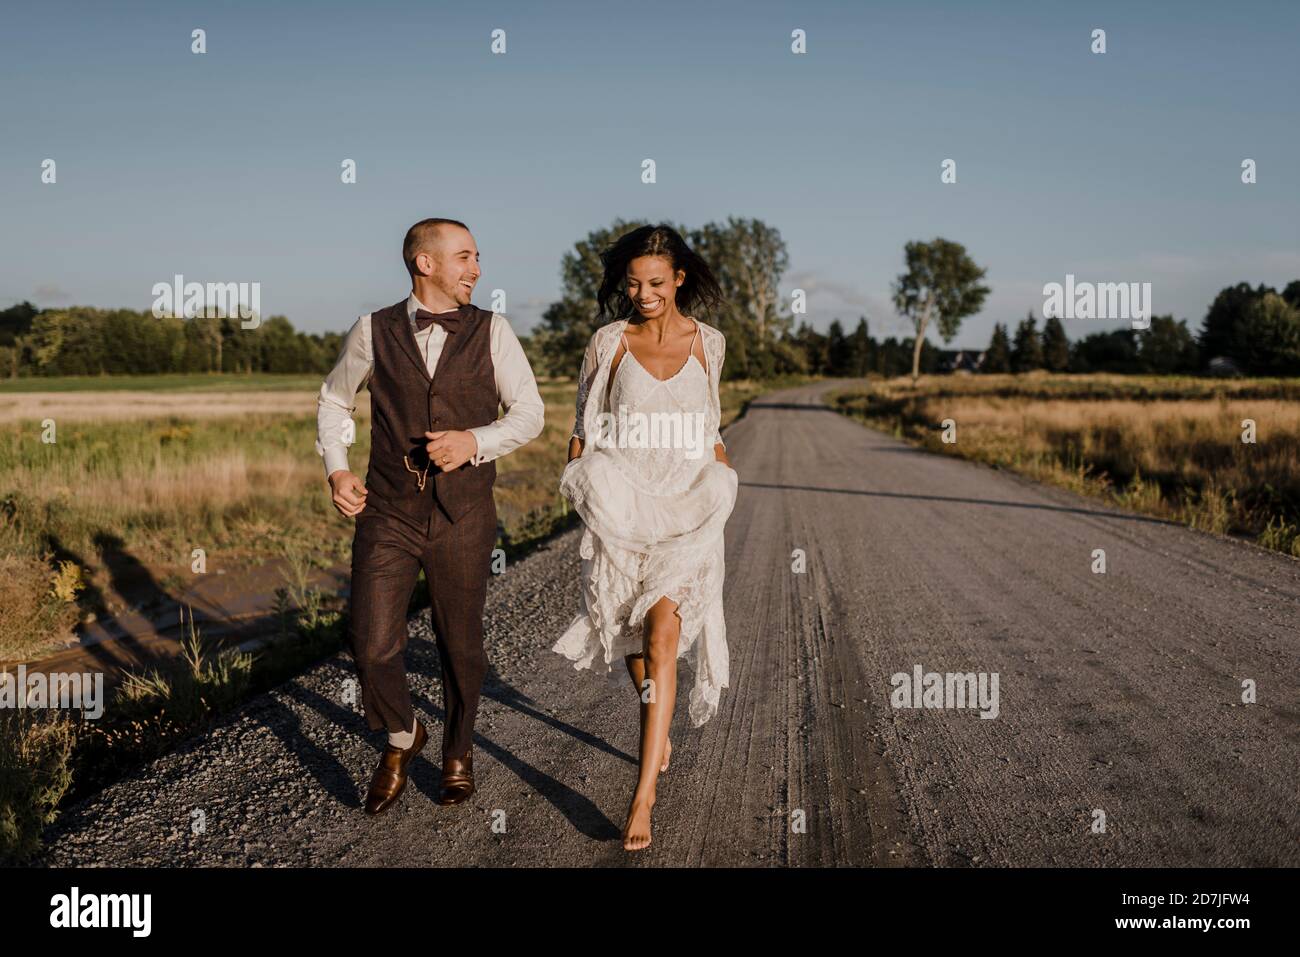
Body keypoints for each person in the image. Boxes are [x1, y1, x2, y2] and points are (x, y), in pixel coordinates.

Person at [315, 218, 544, 814]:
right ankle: (401, 735)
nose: (476, 269)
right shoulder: (371, 330)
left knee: (460, 643)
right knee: (370, 644)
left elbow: (530, 413)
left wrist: (474, 440)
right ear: (426, 263)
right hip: (387, 510)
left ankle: (458, 749)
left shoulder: (495, 331)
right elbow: (335, 399)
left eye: (476, 257)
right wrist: (337, 468)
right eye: (465, 257)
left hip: (464, 513)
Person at [554, 224, 738, 851]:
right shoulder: (609, 341)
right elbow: (583, 428)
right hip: (624, 506)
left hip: (687, 508)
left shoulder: (709, 343)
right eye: (632, 282)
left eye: (655, 281)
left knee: (663, 636)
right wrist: (585, 505)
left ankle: (642, 796)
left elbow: (710, 423)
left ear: (679, 278)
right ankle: (657, 734)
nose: (643, 292)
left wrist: (723, 476)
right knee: (635, 636)